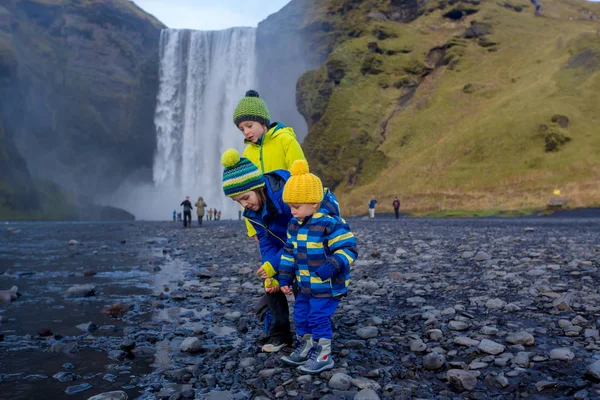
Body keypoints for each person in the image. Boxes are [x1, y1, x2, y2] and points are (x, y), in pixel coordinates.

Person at [278, 160, 358, 374]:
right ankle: (305, 348)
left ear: (314, 203)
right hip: (304, 285)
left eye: (296, 206)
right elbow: (288, 252)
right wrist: (284, 278)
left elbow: (348, 249)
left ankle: (323, 355)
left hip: (327, 285)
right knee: (301, 315)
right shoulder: (294, 224)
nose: (292, 211)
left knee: (318, 317)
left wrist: (330, 267)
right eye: (290, 206)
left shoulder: (330, 223)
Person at [221, 148, 294, 353]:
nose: (245, 205)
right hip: (286, 250)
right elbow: (266, 241)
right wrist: (270, 268)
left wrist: (276, 265)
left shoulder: (286, 197)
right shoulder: (252, 212)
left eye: (246, 197)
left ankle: (314, 336)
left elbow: (299, 238)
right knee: (270, 286)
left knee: (302, 287)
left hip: (312, 248)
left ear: (258, 186)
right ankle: (281, 337)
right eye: (239, 202)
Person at [233, 90, 306, 241]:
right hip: (266, 219)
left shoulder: (286, 140)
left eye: (249, 125)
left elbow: (302, 177)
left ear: (263, 121)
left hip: (290, 213)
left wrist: (303, 212)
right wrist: (252, 227)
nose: (246, 132)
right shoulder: (247, 154)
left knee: (300, 253)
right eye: (242, 129)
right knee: (273, 257)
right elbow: (246, 191)